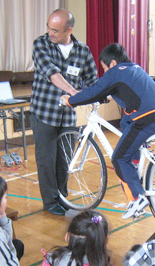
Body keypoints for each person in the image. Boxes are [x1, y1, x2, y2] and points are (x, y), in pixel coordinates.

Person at [61, 43, 155, 219]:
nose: (106, 72)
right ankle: (134, 162)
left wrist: (70, 100)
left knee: (119, 158)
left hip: (147, 119)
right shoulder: (134, 68)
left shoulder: (115, 71)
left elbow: (94, 91)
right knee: (126, 122)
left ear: (112, 63)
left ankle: (137, 198)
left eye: (105, 68)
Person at [31, 8, 98, 216]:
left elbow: (92, 81)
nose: (50, 33)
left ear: (69, 30)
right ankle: (50, 201)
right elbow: (52, 74)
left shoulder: (82, 51)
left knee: (65, 159)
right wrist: (74, 93)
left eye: (55, 30)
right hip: (44, 114)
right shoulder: (41, 44)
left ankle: (61, 196)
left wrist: (104, 92)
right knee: (46, 161)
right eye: (49, 28)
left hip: (67, 116)